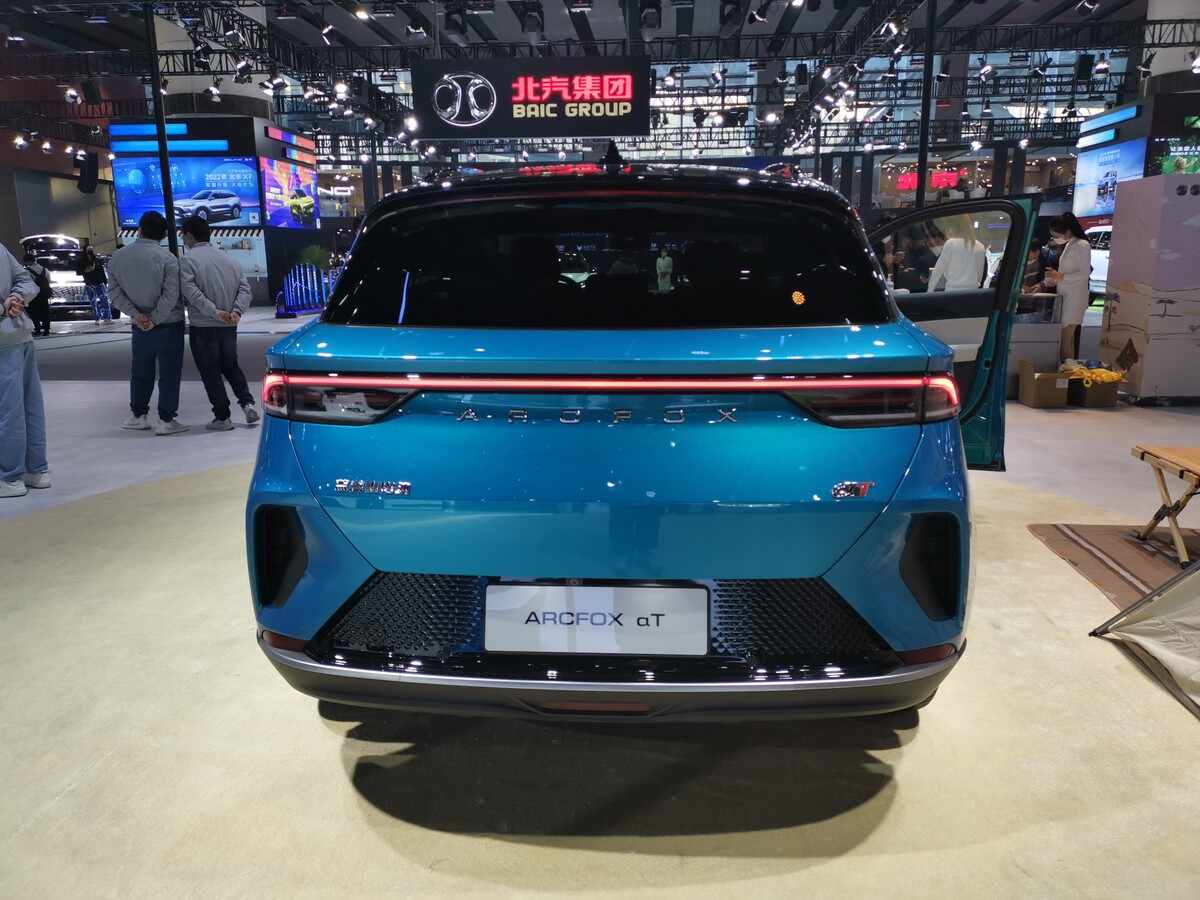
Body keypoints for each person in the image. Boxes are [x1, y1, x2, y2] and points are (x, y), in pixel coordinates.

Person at [106, 211, 189, 436]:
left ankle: (138, 416)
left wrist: (137, 316)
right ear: (163, 235)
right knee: (169, 374)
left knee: (141, 371)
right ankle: (166, 420)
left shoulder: (118, 257)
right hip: (169, 324)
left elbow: (114, 293)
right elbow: (171, 295)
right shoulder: (168, 259)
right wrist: (154, 318)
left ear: (140, 230)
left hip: (140, 326)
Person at [178, 216, 259, 431]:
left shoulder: (187, 260)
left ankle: (222, 417)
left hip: (203, 326)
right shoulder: (228, 259)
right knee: (231, 366)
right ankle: (248, 404)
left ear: (189, 235)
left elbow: (192, 293)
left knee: (210, 372)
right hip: (229, 325)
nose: (183, 239)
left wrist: (214, 313)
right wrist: (236, 312)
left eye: (183, 235)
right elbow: (245, 290)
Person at [0, 244, 50, 498]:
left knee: (7, 411)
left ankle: (9, 477)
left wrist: (5, 306)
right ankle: (37, 470)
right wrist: (17, 298)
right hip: (20, 333)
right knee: (30, 406)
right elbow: (26, 280)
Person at [1043, 212, 1092, 332]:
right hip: (1065, 295)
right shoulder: (1069, 244)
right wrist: (1055, 278)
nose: (1054, 239)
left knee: (1066, 335)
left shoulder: (1082, 245)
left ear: (1068, 231)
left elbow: (1084, 274)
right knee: (1065, 335)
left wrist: (1061, 276)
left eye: (1056, 235)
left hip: (1074, 297)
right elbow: (1067, 272)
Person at [928, 215, 987, 291]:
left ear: (952, 227)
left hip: (952, 292)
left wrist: (929, 290)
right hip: (973, 292)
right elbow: (979, 277)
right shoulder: (980, 246)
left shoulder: (951, 244)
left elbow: (938, 271)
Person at [76, 238, 111, 324]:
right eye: (89, 249)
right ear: (85, 250)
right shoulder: (81, 261)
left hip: (99, 283)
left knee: (104, 300)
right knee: (93, 302)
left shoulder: (97, 260)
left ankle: (107, 318)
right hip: (89, 284)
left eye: (91, 249)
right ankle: (97, 318)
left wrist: (105, 282)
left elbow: (102, 272)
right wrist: (86, 270)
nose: (90, 250)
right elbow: (78, 272)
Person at [23, 250, 53, 336]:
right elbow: (49, 281)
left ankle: (37, 329)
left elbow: (27, 283)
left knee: (33, 311)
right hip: (44, 294)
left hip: (34, 294)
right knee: (45, 311)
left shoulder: (27, 271)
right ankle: (46, 330)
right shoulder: (45, 270)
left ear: (28, 261)